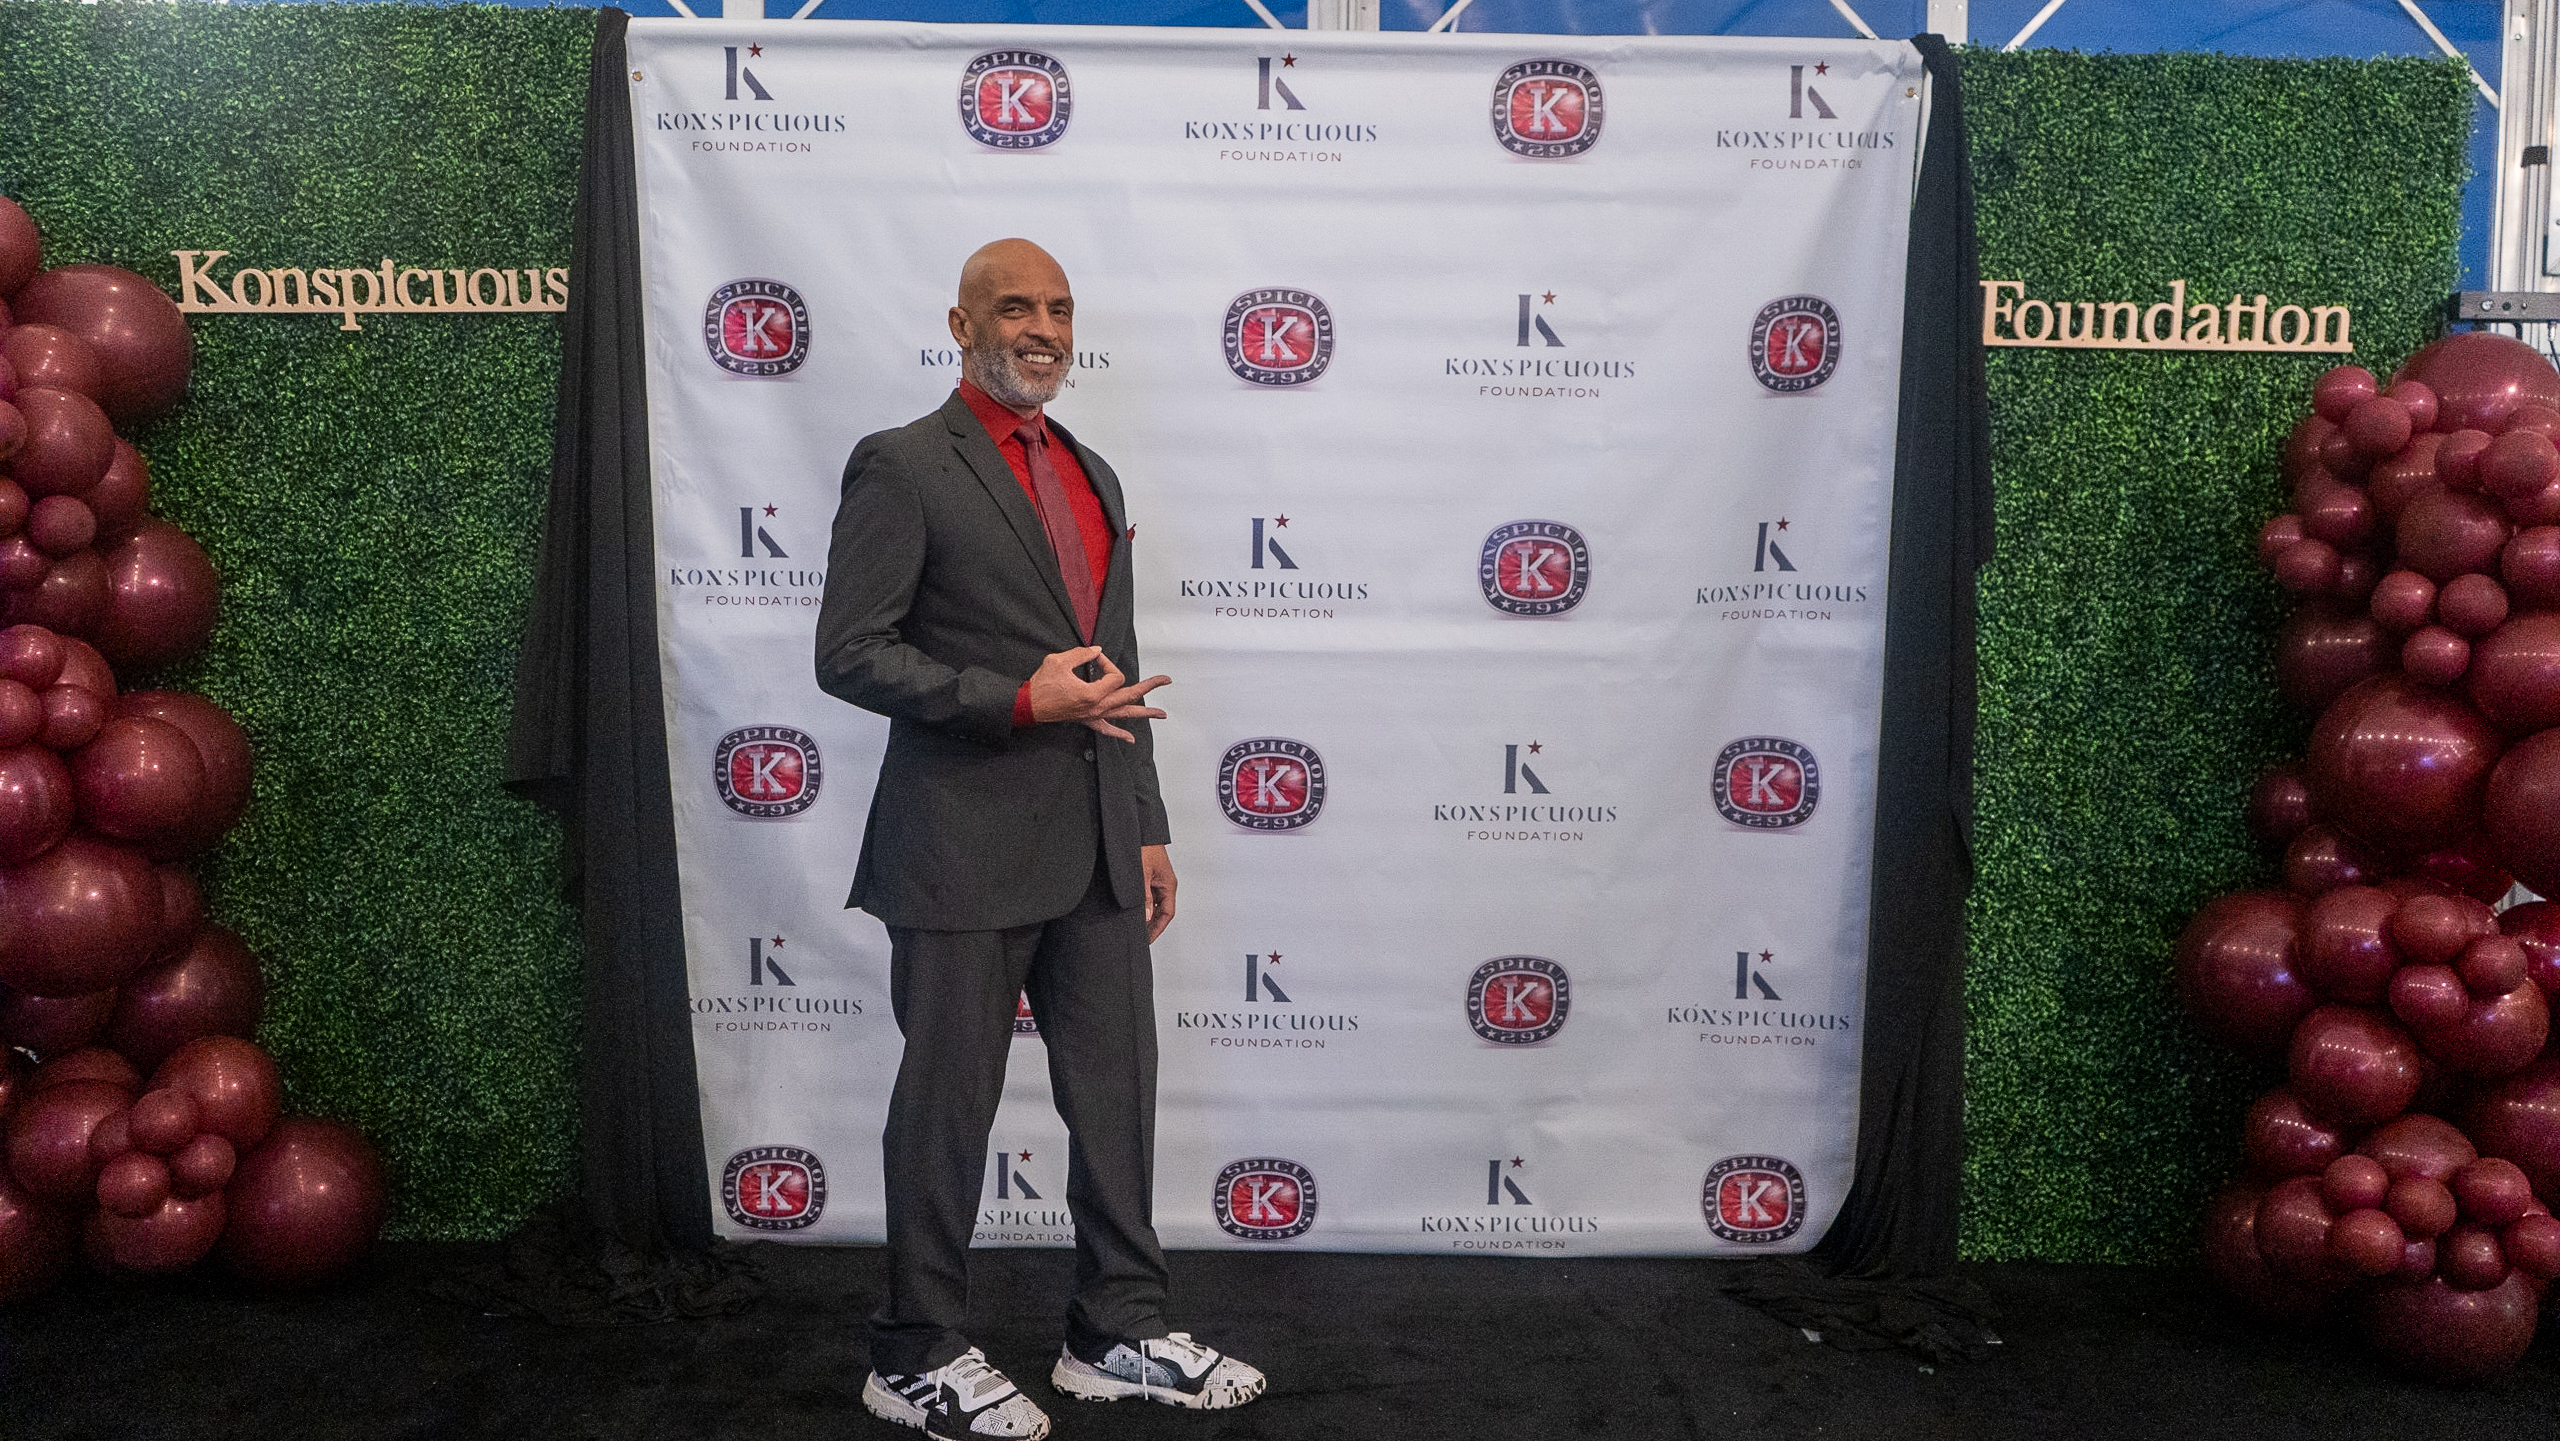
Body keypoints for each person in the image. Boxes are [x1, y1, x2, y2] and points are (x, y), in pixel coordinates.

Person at [816, 238, 1267, 1440]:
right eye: (1014, 307)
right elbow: (849, 653)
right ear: (959, 325)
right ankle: (914, 1349)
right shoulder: (904, 464)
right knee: (947, 1106)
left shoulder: (1092, 471)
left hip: (1100, 843)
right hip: (957, 846)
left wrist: (1149, 821)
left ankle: (1116, 1330)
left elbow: (1114, 669)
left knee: (1117, 1097)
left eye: (1058, 308)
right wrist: (1016, 700)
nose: (1042, 328)